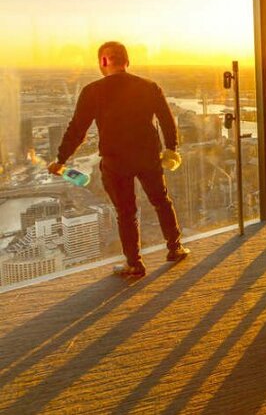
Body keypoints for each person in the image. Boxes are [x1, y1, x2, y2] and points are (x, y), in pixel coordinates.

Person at [48, 41, 189, 278]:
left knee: (126, 212)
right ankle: (175, 248)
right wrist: (171, 148)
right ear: (127, 61)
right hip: (147, 157)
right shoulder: (149, 86)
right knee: (161, 201)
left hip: (116, 161)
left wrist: (61, 159)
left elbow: (77, 130)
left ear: (103, 62)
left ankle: (134, 264)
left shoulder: (93, 90)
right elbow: (167, 120)